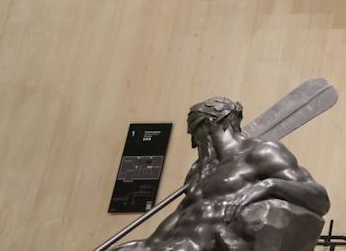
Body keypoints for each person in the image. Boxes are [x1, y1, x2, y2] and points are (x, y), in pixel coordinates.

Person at [116, 96, 330, 251]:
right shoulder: (200, 170)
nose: (194, 144)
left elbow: (319, 198)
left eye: (195, 135)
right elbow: (182, 215)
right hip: (175, 244)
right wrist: (147, 245)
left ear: (208, 125)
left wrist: (269, 185)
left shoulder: (261, 153)